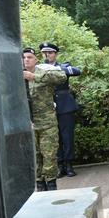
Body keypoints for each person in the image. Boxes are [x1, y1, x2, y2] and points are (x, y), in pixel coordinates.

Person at [23, 48, 66, 191]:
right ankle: (39, 184)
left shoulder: (43, 71)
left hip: (47, 122)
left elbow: (62, 77)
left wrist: (34, 77)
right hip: (28, 124)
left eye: (30, 57)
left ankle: (51, 183)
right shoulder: (15, 76)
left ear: (36, 60)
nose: (27, 59)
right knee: (34, 156)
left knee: (49, 154)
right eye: (24, 57)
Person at [39, 43, 82, 178]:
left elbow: (77, 71)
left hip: (64, 106)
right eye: (45, 53)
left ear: (55, 54)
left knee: (67, 136)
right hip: (47, 107)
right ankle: (59, 165)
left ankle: (69, 164)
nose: (47, 55)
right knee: (54, 137)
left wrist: (58, 68)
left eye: (50, 52)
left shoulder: (63, 66)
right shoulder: (39, 69)